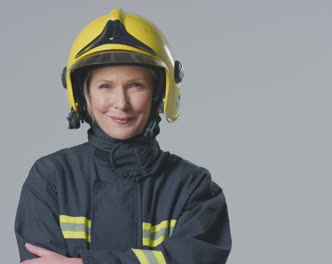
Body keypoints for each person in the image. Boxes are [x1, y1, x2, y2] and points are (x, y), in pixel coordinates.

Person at [14, 8, 232, 264]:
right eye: (105, 86)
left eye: (135, 85)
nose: (121, 103)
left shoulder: (193, 188)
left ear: (159, 93)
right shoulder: (51, 178)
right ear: (83, 95)